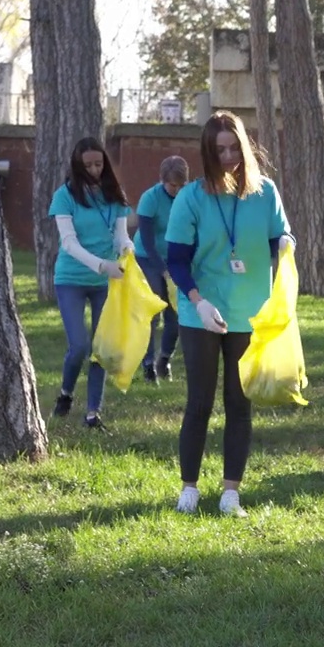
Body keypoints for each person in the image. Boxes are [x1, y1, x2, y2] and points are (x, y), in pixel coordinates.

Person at [166, 111, 292, 517]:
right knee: (199, 402)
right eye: (219, 149)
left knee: (239, 403)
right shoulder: (191, 197)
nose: (228, 156)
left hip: (248, 312)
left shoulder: (265, 192)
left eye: (234, 147)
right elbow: (177, 260)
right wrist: (198, 301)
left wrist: (287, 242)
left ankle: (230, 492)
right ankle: (189, 488)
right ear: (207, 151)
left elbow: (279, 236)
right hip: (201, 310)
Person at [48, 136, 133, 430]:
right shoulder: (65, 196)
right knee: (79, 346)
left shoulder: (114, 194)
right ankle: (65, 394)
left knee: (100, 346)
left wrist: (126, 250)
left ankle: (93, 412)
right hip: (71, 278)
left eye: (99, 164)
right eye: (88, 165)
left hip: (105, 281)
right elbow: (69, 243)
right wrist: (102, 265)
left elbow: (120, 235)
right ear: (77, 165)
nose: (94, 169)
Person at [132, 156, 189, 383]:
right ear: (162, 180)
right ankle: (148, 364)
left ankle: (164, 359)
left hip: (175, 257)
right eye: (172, 185)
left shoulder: (188, 197)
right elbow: (147, 241)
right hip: (148, 258)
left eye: (180, 185)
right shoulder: (150, 199)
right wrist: (164, 272)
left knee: (175, 312)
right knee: (154, 308)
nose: (176, 190)